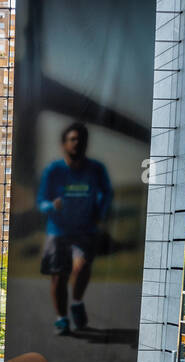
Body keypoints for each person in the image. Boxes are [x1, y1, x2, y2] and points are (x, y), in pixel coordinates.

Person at [37, 121, 113, 335]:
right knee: (59, 276)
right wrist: (52, 205)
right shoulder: (53, 170)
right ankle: (62, 319)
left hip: (85, 229)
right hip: (58, 230)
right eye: (73, 139)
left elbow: (106, 192)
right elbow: (41, 201)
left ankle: (77, 302)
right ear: (64, 144)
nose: (77, 143)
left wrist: (100, 210)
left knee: (82, 267)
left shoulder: (96, 168)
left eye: (81, 140)